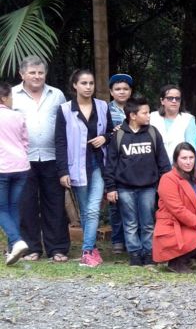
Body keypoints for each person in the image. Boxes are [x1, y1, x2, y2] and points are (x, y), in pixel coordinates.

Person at [13, 55, 69, 262]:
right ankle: (31, 248)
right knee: (26, 204)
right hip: (21, 158)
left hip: (52, 157)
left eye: (40, 73)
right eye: (32, 73)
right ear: (22, 74)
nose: (37, 76)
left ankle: (58, 248)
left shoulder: (57, 95)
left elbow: (64, 126)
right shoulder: (12, 95)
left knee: (54, 204)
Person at [55, 69, 113, 267]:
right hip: (77, 166)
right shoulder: (65, 109)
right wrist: (62, 171)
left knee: (93, 208)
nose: (88, 87)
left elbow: (111, 132)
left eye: (91, 83)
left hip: (98, 164)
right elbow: (60, 142)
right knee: (86, 211)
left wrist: (104, 138)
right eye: (84, 83)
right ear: (75, 86)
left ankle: (87, 251)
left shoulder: (102, 106)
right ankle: (93, 248)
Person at [105, 96, 172, 266]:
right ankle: (134, 254)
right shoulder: (119, 135)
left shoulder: (152, 132)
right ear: (133, 116)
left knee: (148, 222)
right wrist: (111, 187)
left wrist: (166, 186)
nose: (149, 115)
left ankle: (149, 253)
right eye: (145, 112)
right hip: (124, 187)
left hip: (148, 187)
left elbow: (163, 161)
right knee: (130, 223)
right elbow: (111, 163)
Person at [153, 143, 196, 273]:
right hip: (171, 230)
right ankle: (176, 262)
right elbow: (179, 211)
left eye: (191, 158)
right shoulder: (167, 179)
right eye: (184, 158)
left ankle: (184, 258)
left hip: (188, 227)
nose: (188, 162)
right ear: (176, 160)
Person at [0, 81, 31, 265]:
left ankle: (17, 241)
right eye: (11, 96)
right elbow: (25, 141)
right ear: (4, 97)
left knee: (1, 209)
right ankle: (13, 248)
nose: (12, 100)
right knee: (12, 207)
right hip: (21, 166)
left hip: (2, 168)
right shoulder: (18, 117)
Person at [107, 73, 133, 254]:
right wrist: (111, 132)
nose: (121, 92)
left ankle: (132, 238)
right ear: (111, 91)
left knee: (132, 203)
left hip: (133, 161)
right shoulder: (105, 110)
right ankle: (117, 240)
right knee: (115, 201)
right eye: (117, 89)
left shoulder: (136, 109)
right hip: (113, 160)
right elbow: (101, 132)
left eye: (125, 89)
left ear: (130, 91)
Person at [149, 84, 196, 160]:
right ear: (162, 101)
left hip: (179, 167)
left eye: (177, 98)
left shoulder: (188, 119)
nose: (174, 101)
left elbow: (191, 147)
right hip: (154, 164)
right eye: (170, 98)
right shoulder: (152, 117)